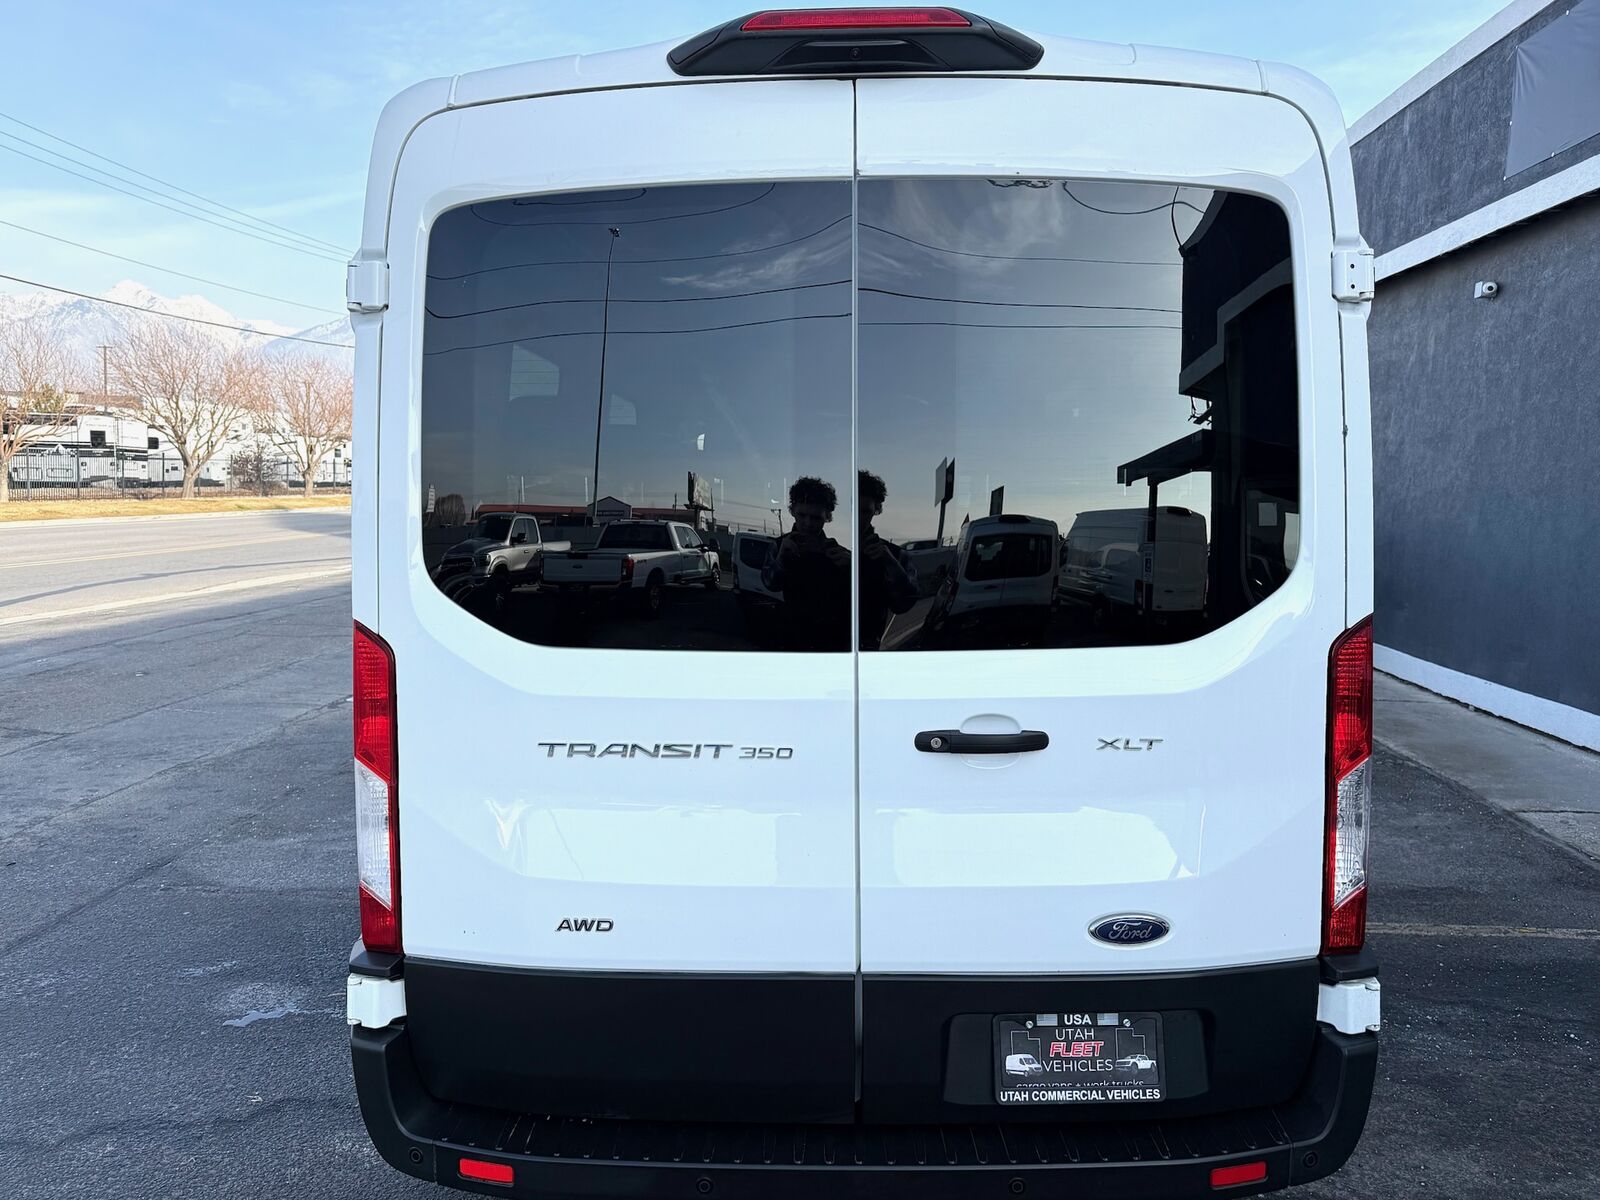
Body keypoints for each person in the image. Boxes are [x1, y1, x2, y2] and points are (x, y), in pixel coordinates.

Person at [762, 476, 850, 651]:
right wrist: (781, 560)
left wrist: (851, 570)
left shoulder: (838, 554)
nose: (807, 523)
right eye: (802, 515)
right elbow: (769, 584)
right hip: (792, 641)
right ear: (792, 511)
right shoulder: (779, 546)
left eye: (816, 518)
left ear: (827, 517)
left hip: (831, 643)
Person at [857, 469, 919, 650]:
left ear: (875, 511)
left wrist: (891, 564)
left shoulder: (892, 555)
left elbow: (904, 603)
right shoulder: (815, 547)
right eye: (852, 509)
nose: (857, 518)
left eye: (864, 511)